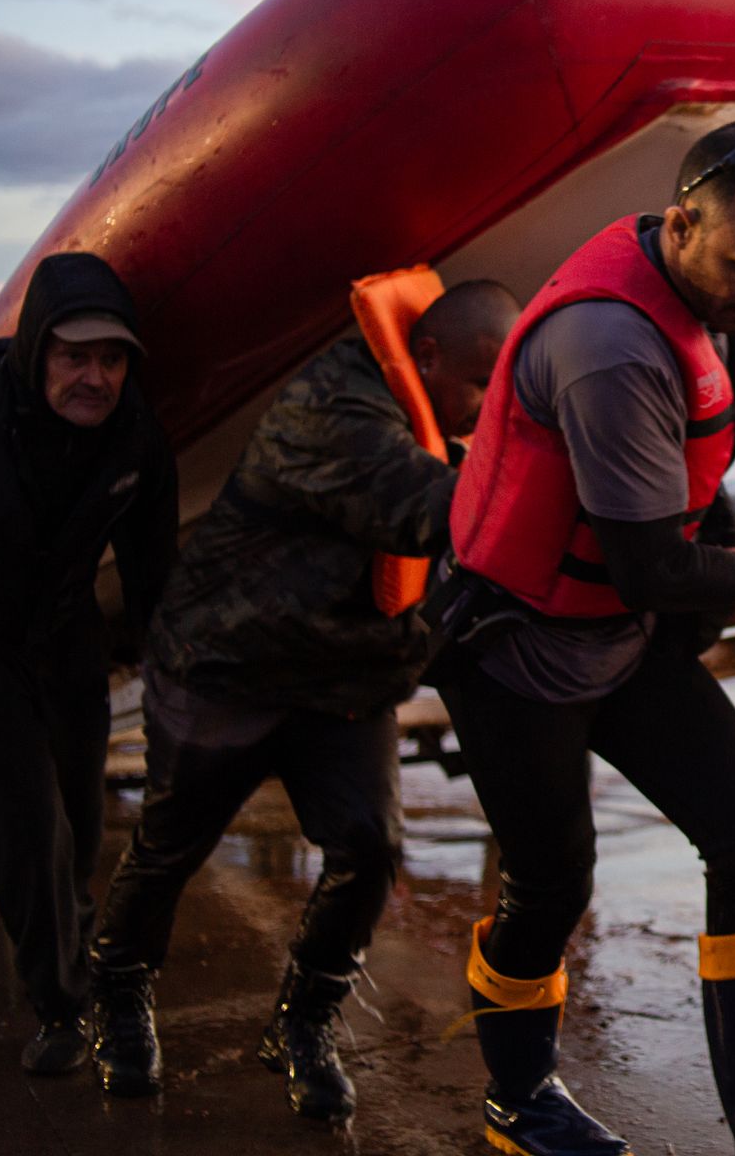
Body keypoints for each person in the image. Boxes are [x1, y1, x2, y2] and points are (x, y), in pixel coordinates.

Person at [432, 121, 735, 1156]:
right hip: (517, 648)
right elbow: (655, 565)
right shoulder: (609, 346)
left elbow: (672, 552)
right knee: (554, 880)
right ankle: (519, 1098)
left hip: (624, 632)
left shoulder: (720, 289)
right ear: (683, 221)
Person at [85, 279, 520, 1117]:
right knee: (170, 848)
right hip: (228, 667)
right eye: (477, 386)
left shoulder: (423, 413)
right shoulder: (332, 410)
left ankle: (303, 1022)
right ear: (423, 358)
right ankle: (119, 998)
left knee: (368, 848)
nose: (484, 408)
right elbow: (438, 512)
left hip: (343, 680)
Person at [0, 252, 178, 1073]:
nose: (95, 377)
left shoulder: (134, 441)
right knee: (27, 814)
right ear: (35, 352)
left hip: (60, 629)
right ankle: (61, 1007)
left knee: (81, 815)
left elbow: (155, 580)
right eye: (74, 355)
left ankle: (69, 935)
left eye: (112, 359)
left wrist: (180, 685)